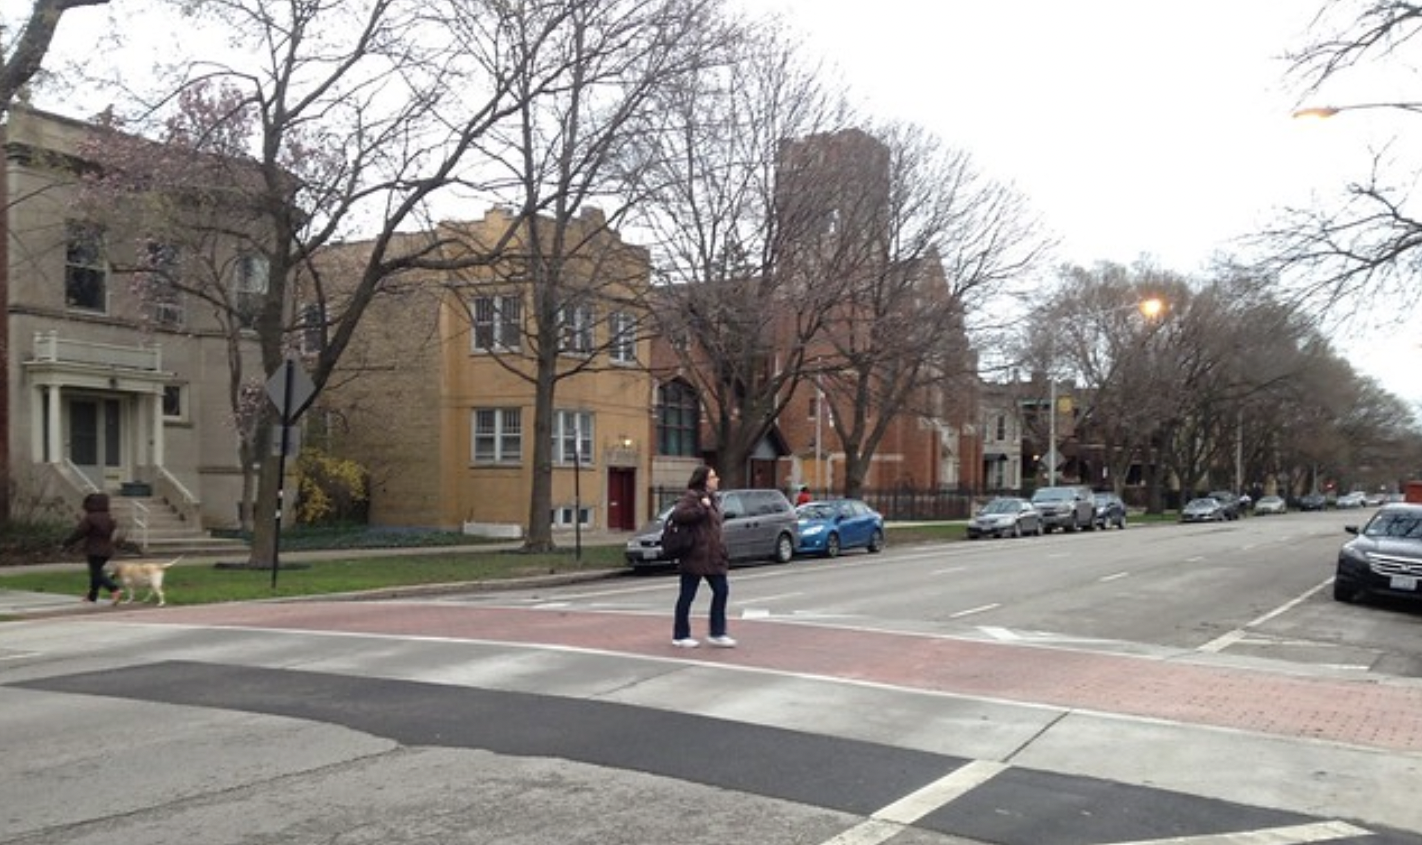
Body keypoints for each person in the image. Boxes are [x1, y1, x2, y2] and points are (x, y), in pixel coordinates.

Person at [669, 465, 735, 649]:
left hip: (713, 557)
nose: (717, 479)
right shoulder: (692, 497)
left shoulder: (713, 499)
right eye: (713, 477)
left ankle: (717, 632)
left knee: (721, 591)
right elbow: (678, 515)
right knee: (687, 596)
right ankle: (680, 635)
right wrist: (701, 508)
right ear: (704, 480)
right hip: (695, 556)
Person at [63, 492, 122, 605]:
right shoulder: (109, 518)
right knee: (96, 572)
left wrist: (67, 543)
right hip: (107, 549)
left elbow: (79, 532)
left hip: (94, 549)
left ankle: (114, 589)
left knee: (96, 574)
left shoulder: (90, 518)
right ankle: (92, 596)